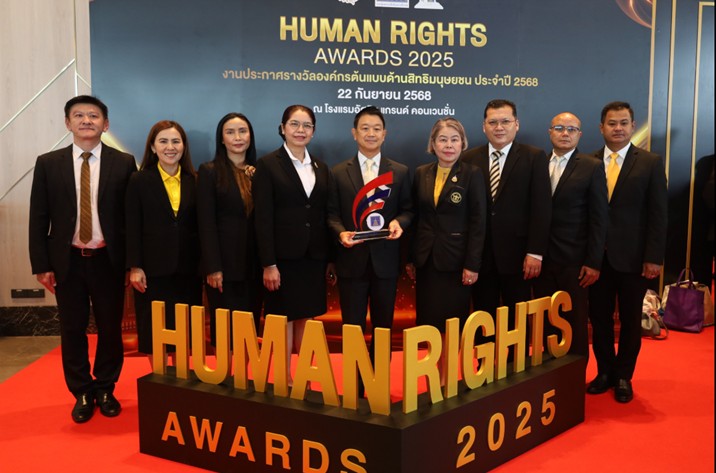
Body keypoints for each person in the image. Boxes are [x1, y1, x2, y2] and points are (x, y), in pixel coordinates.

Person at [29, 95, 136, 423]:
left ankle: (105, 387)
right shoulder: (49, 163)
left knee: (110, 328)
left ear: (106, 124)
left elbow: (131, 218)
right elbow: (38, 216)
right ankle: (82, 392)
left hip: (108, 260)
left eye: (94, 115)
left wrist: (131, 263)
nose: (86, 120)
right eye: (79, 115)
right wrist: (41, 265)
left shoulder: (124, 162)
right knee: (72, 329)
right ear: (68, 123)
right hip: (68, 261)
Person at [587, 101, 667, 403]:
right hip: (596, 260)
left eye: (623, 123)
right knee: (599, 318)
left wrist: (653, 257)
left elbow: (659, 214)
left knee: (631, 320)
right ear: (601, 128)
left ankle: (623, 376)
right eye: (611, 123)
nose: (617, 128)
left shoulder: (649, 162)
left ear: (632, 126)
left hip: (634, 259)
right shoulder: (588, 161)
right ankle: (604, 371)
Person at [461, 99, 552, 358]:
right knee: (483, 316)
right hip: (481, 256)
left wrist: (535, 252)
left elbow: (541, 208)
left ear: (516, 124)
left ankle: (516, 368)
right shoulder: (469, 158)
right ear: (484, 126)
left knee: (517, 317)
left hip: (519, 255)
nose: (499, 127)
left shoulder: (534, 157)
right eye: (493, 122)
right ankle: (484, 367)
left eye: (505, 121)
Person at [253, 104, 336, 385]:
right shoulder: (268, 165)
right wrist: (269, 263)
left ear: (313, 131)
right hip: (282, 260)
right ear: (283, 128)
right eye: (294, 124)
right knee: (283, 319)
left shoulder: (321, 167)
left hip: (313, 258)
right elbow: (263, 218)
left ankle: (303, 379)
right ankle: (284, 378)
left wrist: (330, 259)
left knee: (306, 317)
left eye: (307, 125)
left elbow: (323, 214)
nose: (301, 130)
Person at [327, 106, 413, 364]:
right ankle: (354, 378)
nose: (371, 133)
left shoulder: (399, 171)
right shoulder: (338, 172)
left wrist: (399, 222)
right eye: (365, 128)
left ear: (384, 134)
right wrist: (341, 234)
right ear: (354, 133)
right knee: (352, 326)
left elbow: (409, 210)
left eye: (377, 129)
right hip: (351, 261)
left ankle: (380, 376)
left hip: (385, 262)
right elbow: (331, 215)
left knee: (383, 325)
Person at [406, 118, 486, 375]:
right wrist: (411, 258)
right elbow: (416, 218)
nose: (448, 145)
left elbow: (478, 222)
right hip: (427, 262)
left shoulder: (472, 174)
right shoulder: (422, 173)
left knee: (453, 324)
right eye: (443, 139)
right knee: (430, 323)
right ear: (433, 143)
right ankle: (435, 375)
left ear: (462, 143)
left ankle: (450, 376)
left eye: (454, 139)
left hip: (457, 263)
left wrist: (472, 264)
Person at [126, 120, 202, 368]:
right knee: (154, 329)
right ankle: (159, 380)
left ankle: (181, 380)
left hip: (188, 269)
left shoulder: (195, 180)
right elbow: (132, 225)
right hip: (152, 270)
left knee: (184, 329)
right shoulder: (139, 180)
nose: (170, 147)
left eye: (176, 141)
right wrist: (135, 266)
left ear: (184, 146)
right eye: (163, 141)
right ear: (152, 146)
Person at [532, 112, 608, 358]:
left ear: (580, 135)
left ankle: (574, 376)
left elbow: (599, 218)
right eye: (559, 128)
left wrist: (593, 262)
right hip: (541, 260)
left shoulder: (591, 166)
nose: (565, 133)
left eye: (571, 129)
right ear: (550, 132)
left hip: (575, 262)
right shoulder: (537, 164)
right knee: (545, 322)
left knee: (574, 321)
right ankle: (547, 371)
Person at [197, 113, 261, 342]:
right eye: (230, 132)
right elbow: (206, 223)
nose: (237, 137)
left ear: (250, 136)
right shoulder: (209, 171)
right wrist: (213, 267)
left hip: (255, 266)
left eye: (243, 131)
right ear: (222, 139)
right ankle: (226, 367)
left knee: (250, 330)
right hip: (223, 266)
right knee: (225, 330)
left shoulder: (260, 171)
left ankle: (247, 366)